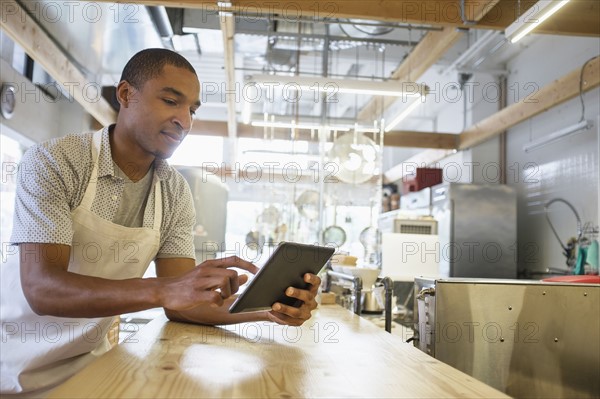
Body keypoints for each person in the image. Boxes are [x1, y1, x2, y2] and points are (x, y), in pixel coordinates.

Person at [0, 48, 321, 396]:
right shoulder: (55, 161)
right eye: (171, 101)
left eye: (192, 110)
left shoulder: (173, 191)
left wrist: (266, 309)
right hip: (11, 363)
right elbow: (43, 289)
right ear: (126, 95)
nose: (185, 120)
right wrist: (165, 288)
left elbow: (183, 304)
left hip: (88, 366)